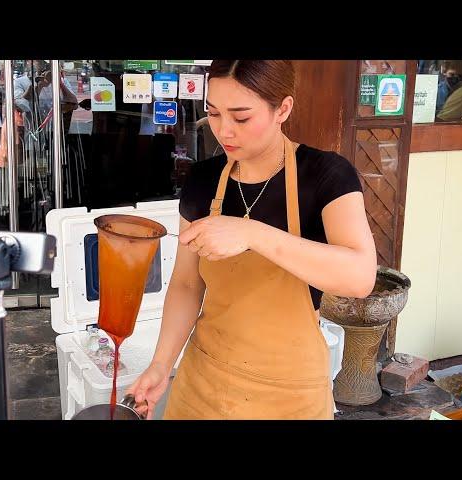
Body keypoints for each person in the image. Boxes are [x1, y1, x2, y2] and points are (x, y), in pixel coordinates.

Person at [125, 60, 377, 420]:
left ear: (283, 109)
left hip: (290, 394)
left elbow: (360, 277)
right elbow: (186, 283)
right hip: (203, 382)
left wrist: (252, 233)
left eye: (241, 118)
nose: (224, 131)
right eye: (213, 114)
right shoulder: (203, 180)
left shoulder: (326, 176)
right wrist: (161, 365)